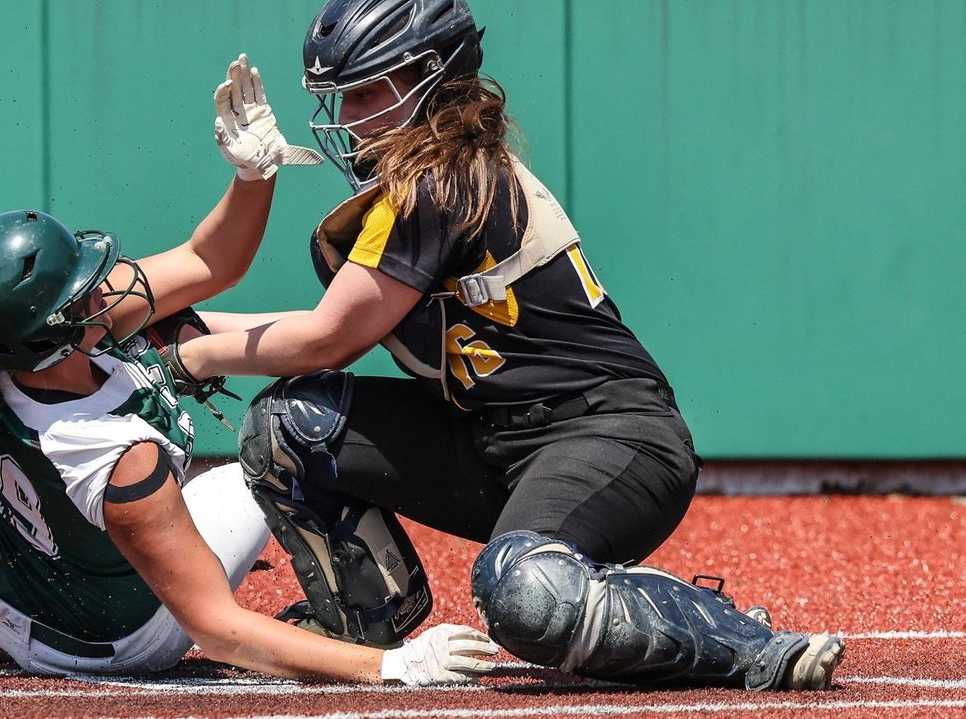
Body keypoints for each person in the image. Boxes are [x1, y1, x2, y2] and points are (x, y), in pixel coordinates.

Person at [162, 0, 845, 691]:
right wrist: (186, 330)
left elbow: (329, 338)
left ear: (435, 78)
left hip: (614, 435)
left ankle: (736, 637)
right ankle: (362, 624)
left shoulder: (439, 181)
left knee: (523, 589)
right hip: (495, 440)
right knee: (287, 425)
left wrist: (188, 355)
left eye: (369, 91)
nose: (349, 116)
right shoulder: (427, 180)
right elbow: (328, 323)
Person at [0, 57, 497, 685]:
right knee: (273, 458)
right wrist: (392, 666)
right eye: (80, 292)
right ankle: (364, 625)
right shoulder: (123, 466)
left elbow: (212, 261)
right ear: (55, 336)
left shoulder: (11, 358)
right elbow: (219, 629)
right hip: (108, 643)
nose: (102, 284)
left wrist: (254, 174)